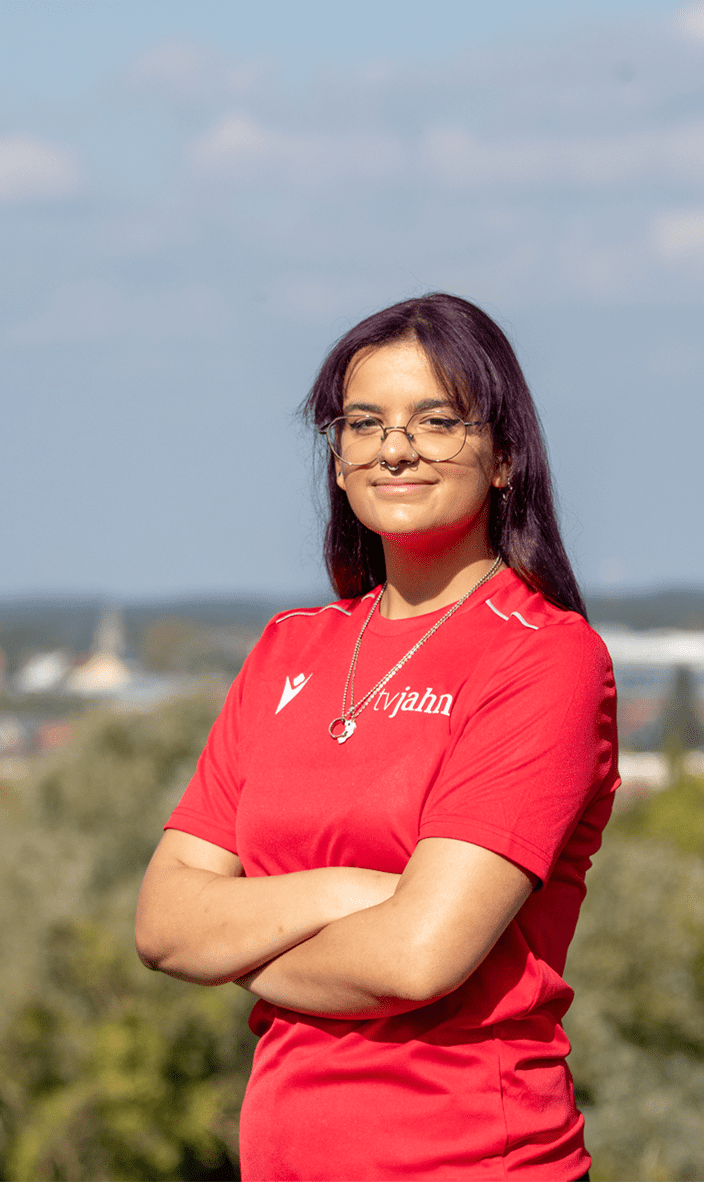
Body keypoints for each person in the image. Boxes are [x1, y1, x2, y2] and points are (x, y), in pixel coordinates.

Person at [136, 292, 618, 1181]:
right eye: (364, 423)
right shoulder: (291, 649)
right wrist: (348, 892)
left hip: (470, 1158)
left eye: (437, 420)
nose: (395, 448)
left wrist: (236, 948)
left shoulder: (546, 658)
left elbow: (416, 957)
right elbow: (165, 923)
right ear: (339, 459)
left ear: (505, 455)